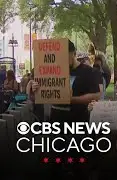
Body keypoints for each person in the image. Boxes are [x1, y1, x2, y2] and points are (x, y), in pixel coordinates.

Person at [32, 40, 101, 180]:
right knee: (55, 162)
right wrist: (34, 88)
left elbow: (96, 95)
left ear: (73, 53)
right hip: (56, 123)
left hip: (78, 124)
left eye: (64, 56)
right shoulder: (51, 70)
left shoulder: (89, 72)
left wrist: (72, 99)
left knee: (78, 163)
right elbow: (35, 95)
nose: (61, 61)